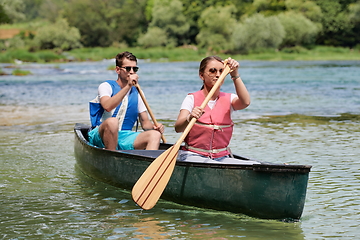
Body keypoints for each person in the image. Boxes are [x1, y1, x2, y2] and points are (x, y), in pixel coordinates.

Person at [174, 56, 257, 164]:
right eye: (212, 71)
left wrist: (235, 74)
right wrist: (189, 118)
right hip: (193, 155)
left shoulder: (230, 99)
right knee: (213, 164)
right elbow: (178, 128)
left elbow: (245, 102)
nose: (218, 75)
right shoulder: (191, 99)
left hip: (222, 157)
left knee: (254, 165)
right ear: (201, 75)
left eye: (221, 71)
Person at [88, 51, 164, 150]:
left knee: (154, 135)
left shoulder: (138, 92)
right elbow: (107, 106)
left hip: (125, 136)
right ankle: (111, 157)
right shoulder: (106, 86)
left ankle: (148, 163)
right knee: (112, 122)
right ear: (118, 70)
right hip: (101, 134)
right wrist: (128, 86)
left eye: (135, 69)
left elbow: (145, 123)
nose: (132, 72)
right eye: (128, 68)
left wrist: (155, 127)